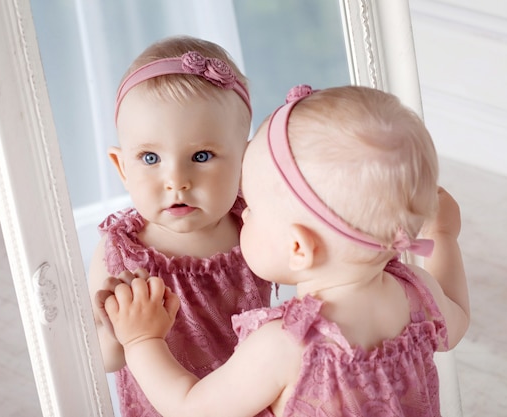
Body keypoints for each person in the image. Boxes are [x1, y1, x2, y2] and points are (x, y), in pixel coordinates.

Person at [98, 84, 470, 417]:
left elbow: (191, 408)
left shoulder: (286, 344)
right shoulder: (415, 292)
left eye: (252, 211)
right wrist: (444, 237)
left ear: (298, 248)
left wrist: (141, 339)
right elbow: (457, 323)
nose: (243, 216)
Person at [88, 35, 272, 417]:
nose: (176, 180)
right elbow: (105, 359)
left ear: (244, 160)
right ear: (122, 167)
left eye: (201, 156)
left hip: (255, 399)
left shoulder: (253, 222)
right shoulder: (122, 254)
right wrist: (114, 328)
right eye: (150, 157)